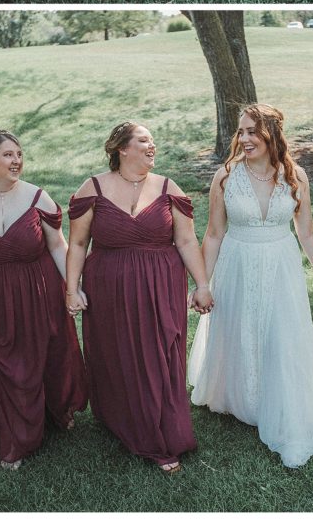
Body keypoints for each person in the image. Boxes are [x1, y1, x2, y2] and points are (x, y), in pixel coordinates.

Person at [188, 104, 313, 467]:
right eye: (242, 132)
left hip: (281, 264)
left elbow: (306, 231)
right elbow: (214, 232)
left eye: (253, 131)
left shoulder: (294, 175)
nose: (245, 139)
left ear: (272, 134)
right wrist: (203, 284)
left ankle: (277, 398)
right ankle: (241, 397)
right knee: (239, 328)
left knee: (280, 332)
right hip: (237, 261)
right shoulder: (225, 176)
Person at [66, 122, 213, 473]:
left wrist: (202, 283)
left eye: (152, 140)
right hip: (109, 288)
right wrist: (72, 288)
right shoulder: (94, 188)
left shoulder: (167, 187)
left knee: (160, 351)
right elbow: (77, 243)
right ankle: (129, 422)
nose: (152, 146)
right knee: (119, 354)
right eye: (144, 140)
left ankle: (164, 431)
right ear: (122, 148)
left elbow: (187, 241)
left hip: (161, 285)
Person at [0, 130, 87, 469]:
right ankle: (17, 438)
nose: (17, 161)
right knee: (11, 369)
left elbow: (57, 246)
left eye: (19, 154)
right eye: (8, 155)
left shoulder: (38, 198)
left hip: (40, 291)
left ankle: (57, 410)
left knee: (50, 356)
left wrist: (72, 287)